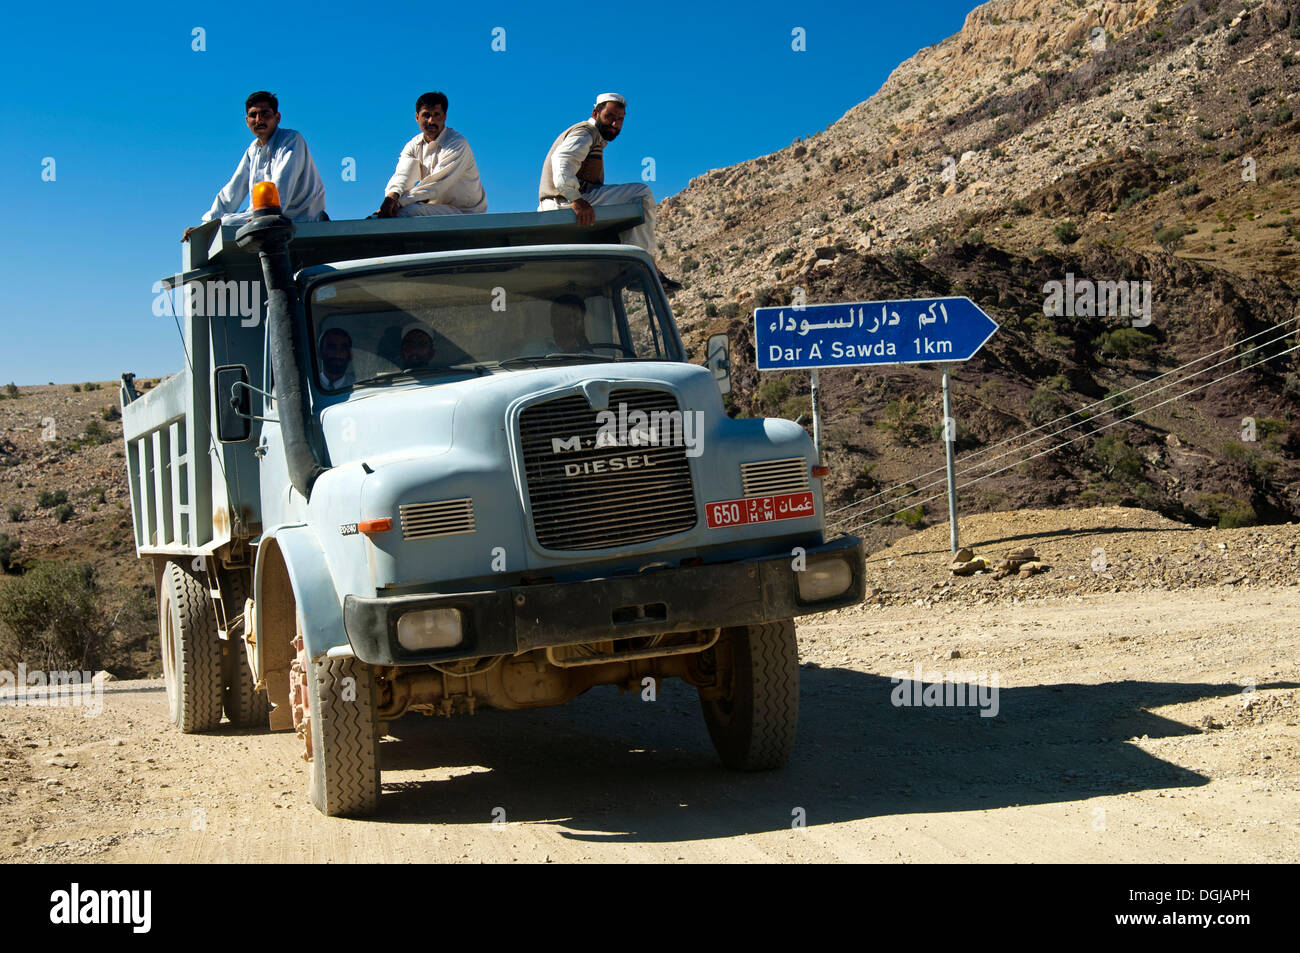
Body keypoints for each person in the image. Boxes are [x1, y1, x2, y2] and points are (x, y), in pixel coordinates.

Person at [538, 93, 680, 291]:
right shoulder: (585, 133)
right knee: (642, 193)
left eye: (620, 119)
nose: (615, 123)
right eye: (610, 116)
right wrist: (576, 200)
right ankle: (641, 270)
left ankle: (639, 266)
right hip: (562, 200)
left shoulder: (594, 137)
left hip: (564, 199)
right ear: (595, 113)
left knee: (625, 211)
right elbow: (562, 162)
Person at [183, 92, 327, 241]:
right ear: (247, 121)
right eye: (253, 115)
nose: (259, 120)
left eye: (265, 114)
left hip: (299, 218)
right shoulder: (253, 150)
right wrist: (205, 226)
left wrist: (263, 218)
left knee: (226, 224)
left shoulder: (291, 140)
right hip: (262, 217)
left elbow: (281, 185)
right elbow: (232, 192)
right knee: (222, 223)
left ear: (277, 118)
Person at [376, 92, 487, 217]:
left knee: (406, 212)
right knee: (387, 214)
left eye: (436, 115)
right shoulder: (413, 145)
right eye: (426, 115)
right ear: (417, 117)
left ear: (444, 117)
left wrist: (398, 203)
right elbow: (403, 175)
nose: (431, 120)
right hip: (435, 209)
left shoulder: (457, 143)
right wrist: (392, 197)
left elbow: (436, 184)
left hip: (466, 212)